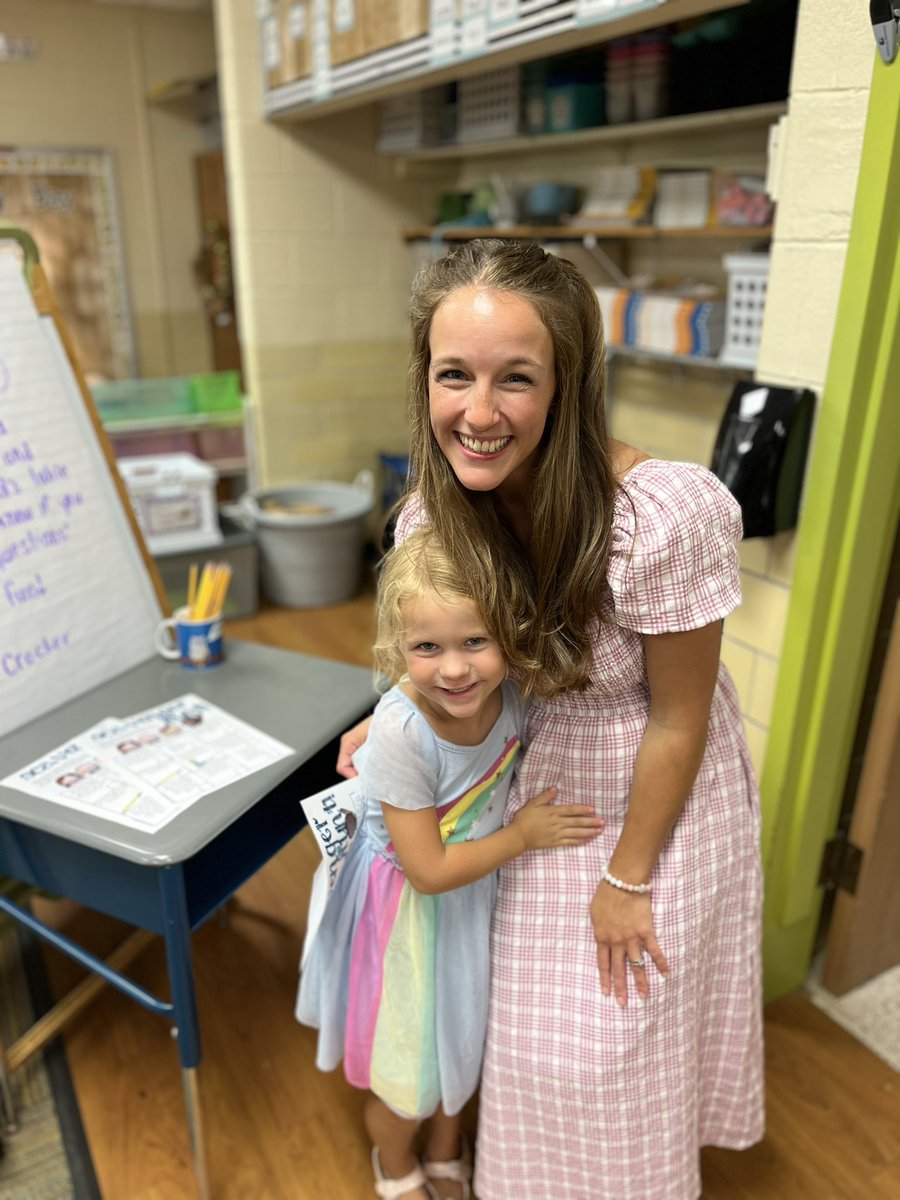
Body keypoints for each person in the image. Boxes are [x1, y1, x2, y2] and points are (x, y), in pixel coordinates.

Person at [337, 239, 765, 1200]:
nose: (478, 413)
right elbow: (437, 644)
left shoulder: (659, 515)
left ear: (569, 383)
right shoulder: (436, 519)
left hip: (659, 797)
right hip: (529, 784)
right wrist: (395, 711)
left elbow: (680, 720)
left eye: (516, 379)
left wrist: (628, 876)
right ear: (425, 379)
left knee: (616, 1046)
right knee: (526, 1036)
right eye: (455, 375)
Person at [297, 527, 601, 1200]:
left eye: (474, 642)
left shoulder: (513, 690)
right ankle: (397, 1166)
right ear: (400, 651)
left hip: (468, 898)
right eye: (426, 648)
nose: (455, 670)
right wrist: (523, 836)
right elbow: (428, 871)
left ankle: (444, 1150)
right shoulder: (403, 732)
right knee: (409, 1066)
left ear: (509, 637)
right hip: (407, 912)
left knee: (461, 1040)